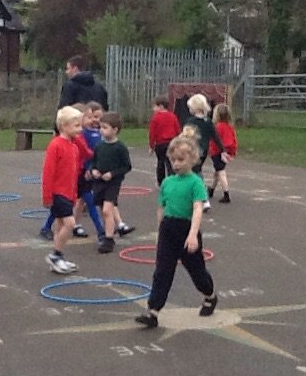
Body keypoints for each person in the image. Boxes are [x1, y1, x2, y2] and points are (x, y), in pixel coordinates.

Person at [136, 134, 219, 327]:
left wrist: (192, 235)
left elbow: (198, 209)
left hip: (186, 228)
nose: (176, 164)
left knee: (197, 271)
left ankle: (210, 295)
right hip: (168, 229)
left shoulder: (195, 182)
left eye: (181, 160)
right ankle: (153, 312)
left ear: (193, 159)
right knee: (162, 271)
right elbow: (161, 208)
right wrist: (159, 232)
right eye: (173, 160)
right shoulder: (167, 182)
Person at [39, 102, 103, 242]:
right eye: (87, 118)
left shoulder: (77, 139)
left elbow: (85, 155)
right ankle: (101, 232)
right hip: (68, 183)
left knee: (66, 212)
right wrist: (47, 196)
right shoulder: (62, 143)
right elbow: (49, 173)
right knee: (72, 214)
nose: (90, 121)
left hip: (75, 180)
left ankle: (56, 248)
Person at [42, 106, 83, 274]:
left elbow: (73, 173)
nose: (80, 129)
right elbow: (48, 172)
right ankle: (55, 255)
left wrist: (74, 195)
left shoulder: (73, 146)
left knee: (60, 226)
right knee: (70, 224)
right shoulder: (56, 145)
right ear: (64, 126)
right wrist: (47, 197)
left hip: (68, 193)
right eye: (76, 126)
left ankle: (58, 257)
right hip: (58, 193)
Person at [91, 111, 133, 254]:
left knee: (107, 209)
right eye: (100, 127)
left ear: (115, 130)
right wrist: (94, 170)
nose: (101, 130)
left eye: (105, 127)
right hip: (99, 182)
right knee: (102, 210)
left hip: (113, 183)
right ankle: (108, 231)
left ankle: (109, 239)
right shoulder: (99, 146)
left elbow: (127, 166)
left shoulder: (120, 147)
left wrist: (112, 174)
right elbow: (94, 162)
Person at [184, 93, 228, 212]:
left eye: (190, 107)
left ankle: (203, 199)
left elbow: (185, 136)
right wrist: (223, 150)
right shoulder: (208, 121)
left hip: (192, 151)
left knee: (193, 174)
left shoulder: (191, 121)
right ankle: (199, 198)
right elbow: (216, 137)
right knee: (196, 172)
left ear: (195, 107)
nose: (189, 109)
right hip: (203, 152)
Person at [149, 94, 182, 186]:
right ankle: (173, 179)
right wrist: (178, 142)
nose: (153, 109)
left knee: (160, 162)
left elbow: (152, 133)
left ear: (161, 106)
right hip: (171, 143)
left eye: (155, 106)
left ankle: (161, 181)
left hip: (160, 144)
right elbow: (178, 130)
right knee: (170, 162)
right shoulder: (173, 116)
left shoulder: (155, 118)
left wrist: (151, 146)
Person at [208, 103, 238, 204]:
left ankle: (226, 193)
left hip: (218, 152)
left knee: (221, 172)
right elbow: (233, 140)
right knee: (217, 172)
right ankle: (211, 190)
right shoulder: (230, 126)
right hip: (226, 152)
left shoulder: (218, 127)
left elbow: (216, 141)